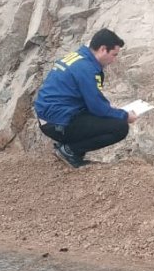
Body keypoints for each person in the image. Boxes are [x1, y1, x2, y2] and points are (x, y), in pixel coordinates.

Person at [34, 28, 137, 168]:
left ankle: (69, 148)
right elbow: (97, 107)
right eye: (114, 55)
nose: (114, 60)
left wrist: (109, 109)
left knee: (107, 116)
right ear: (102, 49)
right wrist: (125, 116)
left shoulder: (78, 57)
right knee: (120, 127)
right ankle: (69, 151)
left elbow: (89, 98)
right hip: (57, 122)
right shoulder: (86, 68)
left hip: (51, 117)